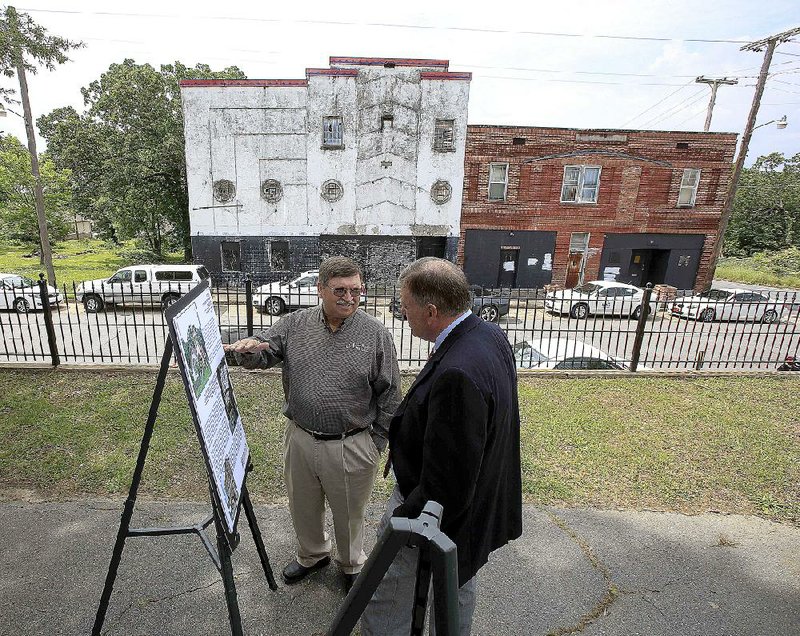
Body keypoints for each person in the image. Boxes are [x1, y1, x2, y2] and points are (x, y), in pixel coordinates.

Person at [361, 257, 522, 635]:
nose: (402, 314)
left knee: (392, 590)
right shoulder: (487, 334)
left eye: (406, 307)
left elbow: (448, 479)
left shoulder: (457, 373)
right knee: (457, 586)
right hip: (476, 504)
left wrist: (405, 522)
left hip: (438, 512)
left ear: (431, 311)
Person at [225, 256, 401, 592]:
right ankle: (312, 555)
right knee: (302, 504)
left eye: (355, 290)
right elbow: (264, 354)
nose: (349, 297)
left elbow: (391, 394)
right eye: (339, 290)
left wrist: (374, 443)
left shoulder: (376, 334)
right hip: (301, 438)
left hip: (353, 443)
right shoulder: (295, 324)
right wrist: (247, 350)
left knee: (349, 513)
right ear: (320, 289)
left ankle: (351, 564)